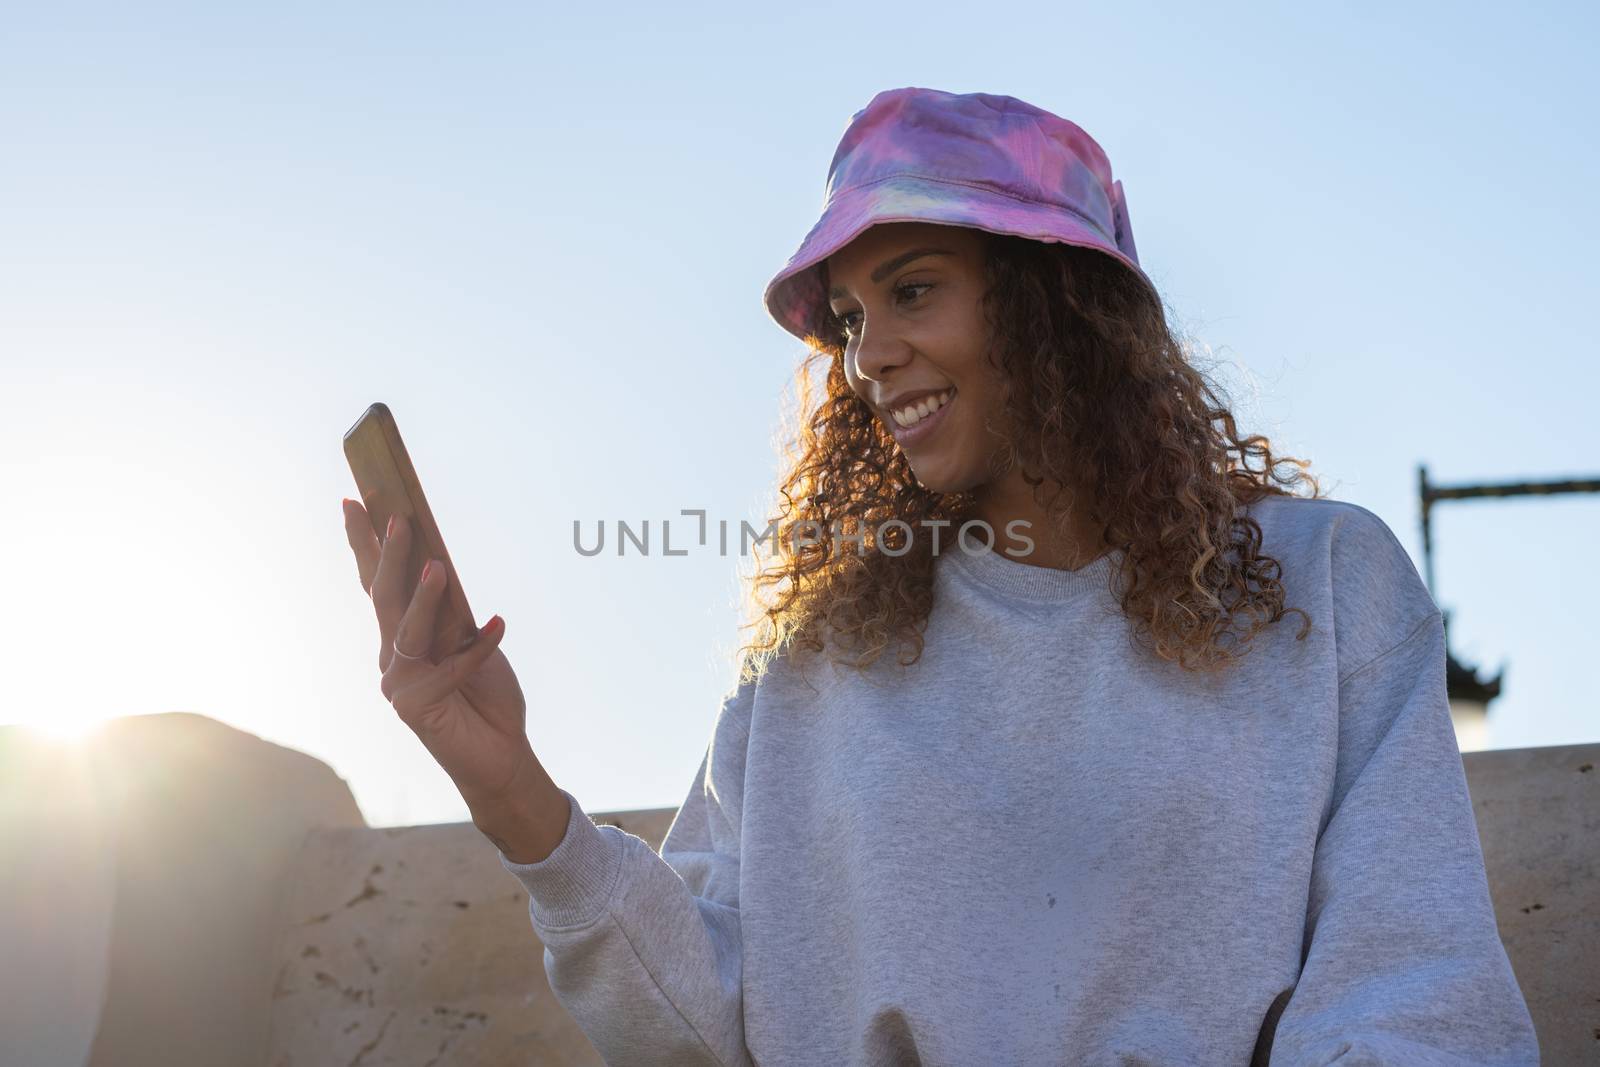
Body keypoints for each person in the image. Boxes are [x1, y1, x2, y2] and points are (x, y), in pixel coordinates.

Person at [340, 87, 1540, 1065]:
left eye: (913, 289)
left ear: (1057, 303)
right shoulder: (813, 660)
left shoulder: (1325, 586)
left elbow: (1415, 994)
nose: (872, 355)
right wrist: (513, 793)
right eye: (854, 316)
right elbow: (712, 1024)